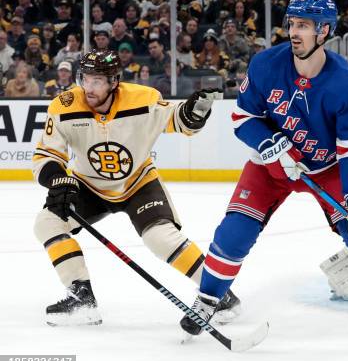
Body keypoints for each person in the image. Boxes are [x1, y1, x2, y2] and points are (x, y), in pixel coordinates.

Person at [179, 0, 348, 339]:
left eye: (303, 25)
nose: (293, 31)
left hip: (327, 168)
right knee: (234, 232)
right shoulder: (265, 64)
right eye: (291, 23)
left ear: (324, 31)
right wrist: (268, 143)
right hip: (270, 165)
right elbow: (243, 117)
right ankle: (208, 299)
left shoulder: (346, 83)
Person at [32, 49, 240, 326]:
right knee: (47, 223)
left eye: (96, 81)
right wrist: (58, 179)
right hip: (88, 186)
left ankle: (220, 294)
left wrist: (193, 113)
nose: (88, 88)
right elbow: (46, 156)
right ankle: (81, 298)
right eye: (85, 79)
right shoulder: (64, 106)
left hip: (138, 182)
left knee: (160, 238)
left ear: (114, 81)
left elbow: (178, 121)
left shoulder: (143, 99)